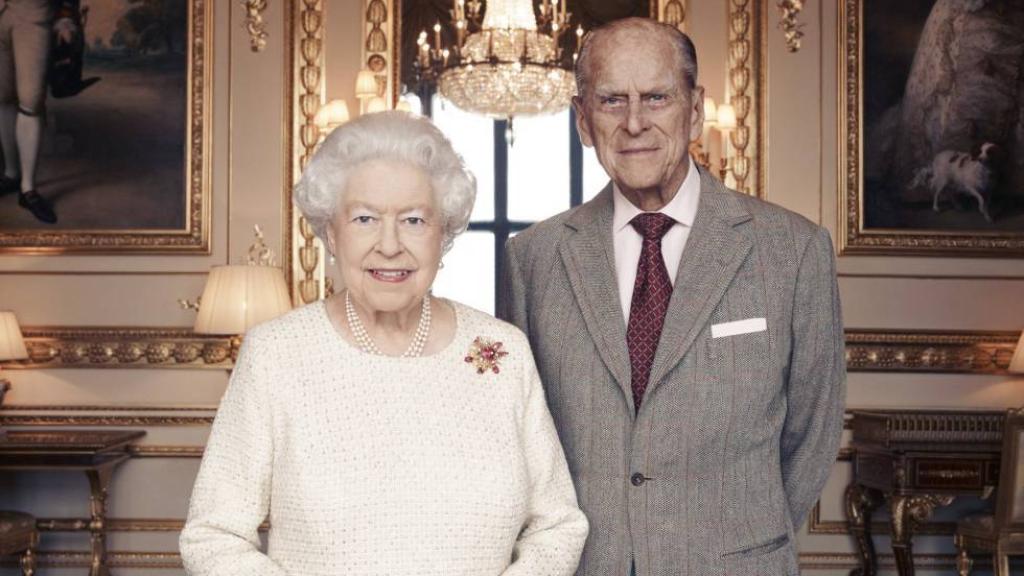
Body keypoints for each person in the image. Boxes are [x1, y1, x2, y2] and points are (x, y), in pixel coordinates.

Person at [499, 18, 845, 575]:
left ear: (695, 108)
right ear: (583, 120)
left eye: (656, 97)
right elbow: (521, 436)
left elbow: (813, 430)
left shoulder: (793, 250)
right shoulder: (533, 259)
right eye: (611, 100)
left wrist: (734, 531)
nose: (634, 122)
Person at [179, 111, 588, 576]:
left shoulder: (501, 352)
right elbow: (213, 535)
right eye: (365, 218)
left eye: (414, 219)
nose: (389, 245)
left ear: (444, 234)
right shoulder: (277, 354)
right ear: (331, 233)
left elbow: (558, 525)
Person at [0, 0, 79, 224]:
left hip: (34, 13)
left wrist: (66, 16)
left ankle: (28, 190)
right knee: (3, 98)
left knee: (30, 103)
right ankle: (11, 174)